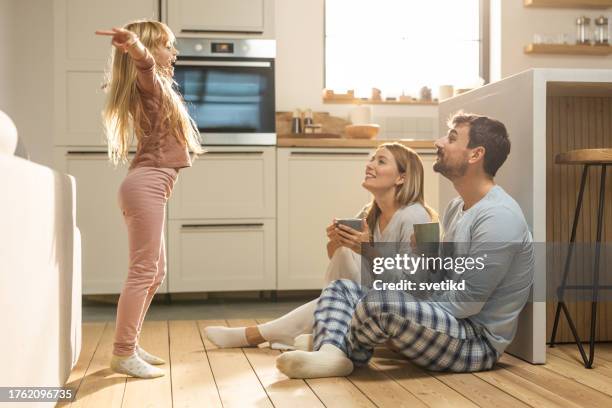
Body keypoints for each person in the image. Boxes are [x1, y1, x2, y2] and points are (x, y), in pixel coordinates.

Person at [276, 112, 535, 379]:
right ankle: (332, 353)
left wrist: (404, 303)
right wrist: (428, 258)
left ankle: (338, 340)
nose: (439, 141)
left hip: (474, 340)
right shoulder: (457, 207)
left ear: (475, 154)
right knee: (341, 289)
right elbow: (441, 279)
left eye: (452, 137)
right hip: (445, 323)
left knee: (380, 302)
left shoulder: (498, 217)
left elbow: (466, 304)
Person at [205, 142, 437, 349]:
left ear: (401, 178)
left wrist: (367, 249)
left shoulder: (416, 217)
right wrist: (337, 242)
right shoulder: (369, 214)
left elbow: (415, 289)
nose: (370, 165)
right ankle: (321, 329)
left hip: (408, 311)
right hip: (373, 299)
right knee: (344, 253)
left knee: (345, 287)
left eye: (381, 161)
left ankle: (257, 334)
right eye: (371, 159)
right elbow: (337, 264)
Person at [96, 20, 203, 378]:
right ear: (148, 49)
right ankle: (123, 352)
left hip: (149, 185)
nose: (175, 53)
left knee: (156, 271)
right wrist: (135, 46)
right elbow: (144, 64)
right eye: (168, 46)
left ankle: (131, 342)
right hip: (146, 186)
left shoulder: (158, 91)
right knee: (143, 271)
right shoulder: (151, 83)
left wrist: (140, 50)